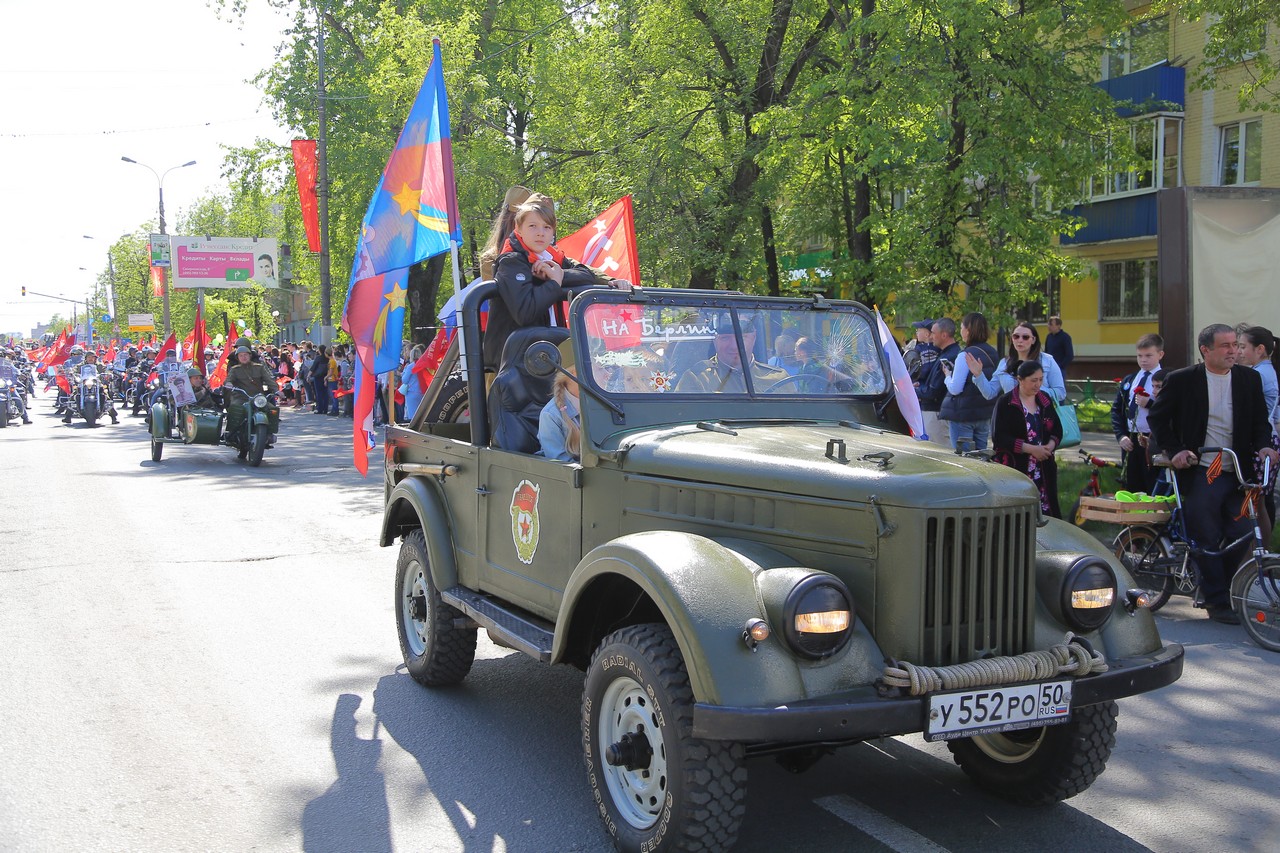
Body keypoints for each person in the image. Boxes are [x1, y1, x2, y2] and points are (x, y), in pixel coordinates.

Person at [1148, 324, 1280, 625]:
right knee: (1205, 534)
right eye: (1225, 346)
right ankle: (1216, 600)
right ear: (1205, 350)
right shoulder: (1183, 380)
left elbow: (1260, 422)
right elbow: (1158, 417)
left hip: (1237, 470)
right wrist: (1176, 450)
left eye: (1236, 345)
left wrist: (1263, 446)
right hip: (1203, 470)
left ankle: (1221, 588)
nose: (1233, 351)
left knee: (1243, 532)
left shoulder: (1249, 379)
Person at [483, 193, 606, 373]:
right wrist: (554, 283)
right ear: (518, 228)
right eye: (532, 226)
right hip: (515, 362)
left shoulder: (550, 257)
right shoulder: (511, 261)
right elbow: (525, 313)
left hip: (546, 353)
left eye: (547, 227)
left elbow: (586, 275)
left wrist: (554, 274)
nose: (540, 232)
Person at [993, 361, 1063, 517]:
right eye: (1033, 380)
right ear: (1020, 380)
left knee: (1047, 514)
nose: (1038, 384)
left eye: (1041, 379)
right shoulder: (1006, 403)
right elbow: (999, 437)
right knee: (1016, 515)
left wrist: (1050, 446)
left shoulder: (1044, 400)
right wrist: (1031, 449)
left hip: (1044, 468)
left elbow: (1057, 429)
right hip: (1016, 468)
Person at [675, 312, 788, 393]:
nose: (734, 346)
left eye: (742, 338)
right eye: (725, 338)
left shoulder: (779, 378)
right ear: (715, 340)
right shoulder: (696, 379)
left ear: (754, 338)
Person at [1110, 333, 1164, 494]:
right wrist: (1121, 435)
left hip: (1153, 440)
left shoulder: (1166, 379)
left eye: (1148, 355)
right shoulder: (1130, 379)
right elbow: (1117, 410)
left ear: (1160, 354)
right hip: (1131, 439)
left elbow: (1171, 410)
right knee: (1132, 485)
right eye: (1140, 356)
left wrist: (1150, 404)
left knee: (1152, 485)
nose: (1143, 360)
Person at [939, 312, 999, 451]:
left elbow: (955, 388)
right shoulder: (993, 353)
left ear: (968, 330)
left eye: (962, 328)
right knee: (981, 456)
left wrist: (947, 377)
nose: (960, 332)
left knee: (964, 458)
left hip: (963, 415)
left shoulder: (965, 355)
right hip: (984, 413)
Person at [981, 321, 1067, 403]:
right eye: (1016, 336)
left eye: (1025, 337)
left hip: (1039, 411)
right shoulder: (1004, 363)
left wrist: (1034, 388)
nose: (1020, 340)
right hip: (1012, 411)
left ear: (1033, 340)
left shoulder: (1047, 360)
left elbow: (1061, 393)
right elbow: (990, 393)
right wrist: (978, 374)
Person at [915, 318, 961, 447]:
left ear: (944, 335)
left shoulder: (949, 356)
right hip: (936, 411)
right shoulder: (946, 354)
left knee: (940, 451)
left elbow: (934, 390)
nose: (931, 337)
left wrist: (915, 391)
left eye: (934, 333)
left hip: (937, 412)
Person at [538, 341, 581, 462]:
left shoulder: (606, 404)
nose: (607, 374)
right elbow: (561, 464)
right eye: (599, 369)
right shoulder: (551, 415)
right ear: (575, 373)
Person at [223, 345, 279, 440]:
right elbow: (228, 380)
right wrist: (229, 384)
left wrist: (277, 390)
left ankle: (269, 433)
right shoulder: (235, 369)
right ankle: (231, 432)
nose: (244, 357)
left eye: (246, 355)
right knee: (235, 408)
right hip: (241, 397)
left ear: (250, 356)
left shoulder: (259, 368)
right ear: (237, 358)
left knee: (272, 409)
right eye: (241, 355)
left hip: (257, 397)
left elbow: (269, 380)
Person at [0, 348, 32, 424]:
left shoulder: (7, 363)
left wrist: (19, 374)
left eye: (0, 354)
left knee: (17, 398)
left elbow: (14, 370)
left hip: (6, 384)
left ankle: (25, 418)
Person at [309, 345, 331, 414]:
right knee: (325, 393)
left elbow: (313, 367)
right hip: (326, 376)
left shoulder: (318, 358)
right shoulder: (328, 358)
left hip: (318, 377)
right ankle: (325, 409)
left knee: (319, 393)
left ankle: (320, 409)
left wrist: (308, 375)